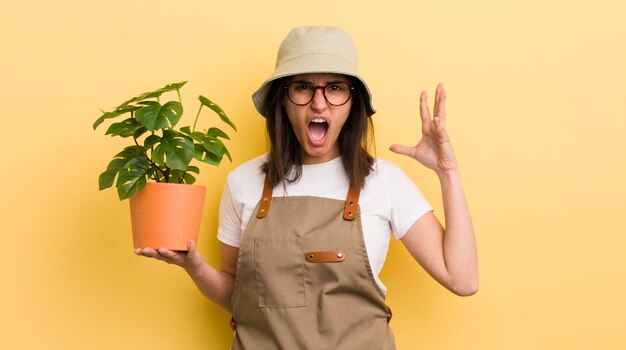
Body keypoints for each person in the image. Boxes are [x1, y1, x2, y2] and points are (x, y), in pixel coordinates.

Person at [135, 25, 478, 349]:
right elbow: (239, 297)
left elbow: (462, 280)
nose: (318, 102)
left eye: (334, 88)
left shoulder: (383, 181)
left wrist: (448, 172)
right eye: (302, 87)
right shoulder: (243, 182)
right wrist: (193, 265)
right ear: (282, 101)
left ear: (352, 103)